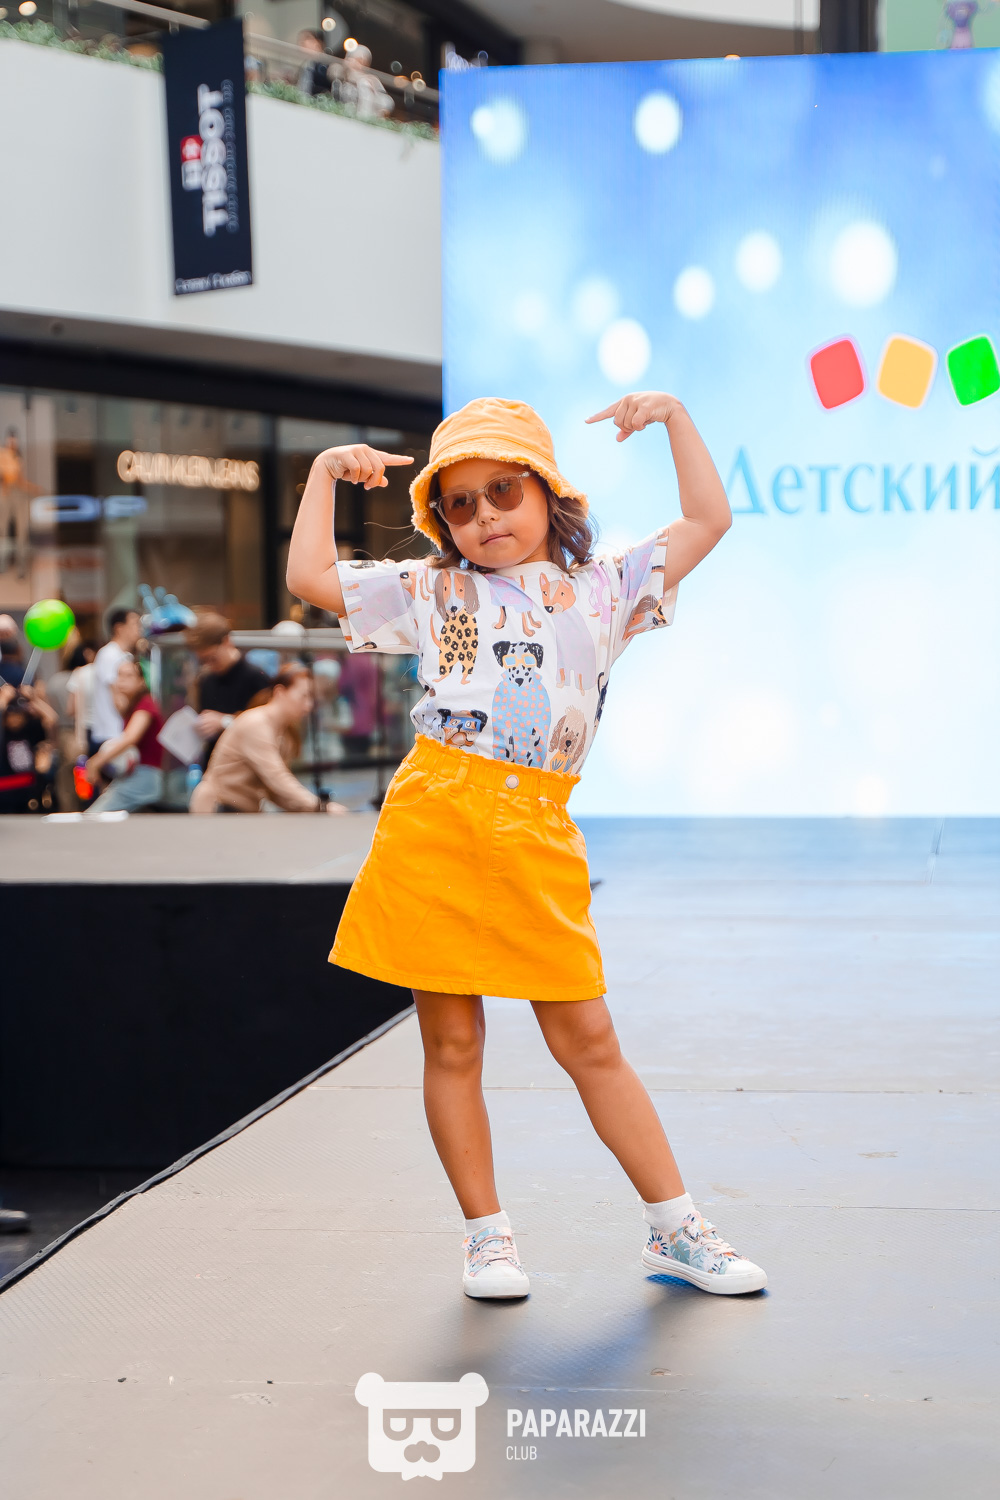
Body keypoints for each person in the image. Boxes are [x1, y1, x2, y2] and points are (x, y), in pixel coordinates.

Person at [286, 392, 768, 1303]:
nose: (484, 516)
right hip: (435, 817)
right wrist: (321, 474)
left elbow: (710, 519)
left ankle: (676, 1230)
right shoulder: (432, 590)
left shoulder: (608, 587)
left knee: (588, 1036)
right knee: (452, 1040)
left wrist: (674, 419)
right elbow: (310, 574)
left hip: (538, 824)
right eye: (460, 504)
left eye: (504, 490)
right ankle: (488, 1241)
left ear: (549, 491)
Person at [189, 662, 347, 815]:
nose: (308, 705)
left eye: (311, 698)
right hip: (218, 808)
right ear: (280, 692)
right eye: (303, 696)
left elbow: (275, 790)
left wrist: (314, 808)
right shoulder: (256, 723)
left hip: (239, 812)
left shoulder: (284, 733)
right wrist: (320, 806)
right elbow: (277, 778)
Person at [188, 613, 273, 770]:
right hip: (214, 766)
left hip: (247, 767)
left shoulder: (256, 677)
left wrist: (224, 721)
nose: (208, 665)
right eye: (203, 661)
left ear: (227, 641)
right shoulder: (206, 681)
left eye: (212, 658)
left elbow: (268, 726)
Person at [84, 657, 164, 813]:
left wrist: (95, 762)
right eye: (119, 675)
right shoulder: (134, 705)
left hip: (143, 778)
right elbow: (119, 706)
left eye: (129, 676)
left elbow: (130, 737)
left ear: (142, 681)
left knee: (94, 816)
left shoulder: (146, 704)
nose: (121, 680)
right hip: (134, 776)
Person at [0, 679, 57, 813]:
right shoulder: (3, 734)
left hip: (29, 790)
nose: (15, 718)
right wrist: (3, 700)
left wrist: (34, 699)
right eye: (11, 715)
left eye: (19, 714)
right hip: (5, 792)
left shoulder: (29, 730)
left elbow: (52, 719)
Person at [91, 607, 142, 752]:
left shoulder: (125, 655)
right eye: (135, 624)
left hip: (119, 733)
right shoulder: (109, 654)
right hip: (110, 734)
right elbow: (118, 699)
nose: (139, 629)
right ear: (119, 628)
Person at [66, 639, 97, 771]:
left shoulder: (80, 673)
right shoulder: (109, 671)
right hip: (107, 729)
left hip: (87, 729)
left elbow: (71, 709)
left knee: (87, 770)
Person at [296, 30, 333, 95]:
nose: (302, 42)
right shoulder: (307, 64)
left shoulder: (325, 65)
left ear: (317, 43)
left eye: (307, 38)